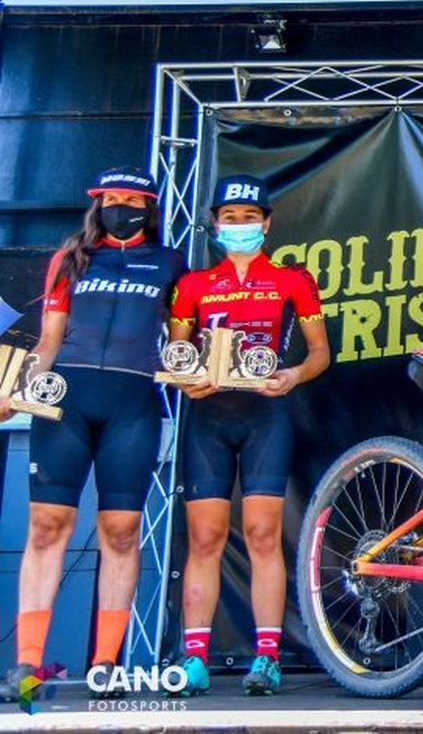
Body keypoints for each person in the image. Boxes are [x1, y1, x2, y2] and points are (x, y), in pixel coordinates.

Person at [0, 168, 184, 703]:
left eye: (131, 200)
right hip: (67, 401)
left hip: (133, 404)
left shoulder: (171, 263)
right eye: (111, 198)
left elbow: (182, 343)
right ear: (97, 203)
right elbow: (49, 341)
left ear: (148, 207)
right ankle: (26, 665)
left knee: (122, 532)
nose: (120, 207)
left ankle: (106, 663)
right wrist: (17, 389)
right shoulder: (70, 259)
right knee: (45, 526)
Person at [166, 175, 329, 697]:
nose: (240, 226)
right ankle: (194, 658)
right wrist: (186, 380)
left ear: (266, 223)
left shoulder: (291, 280)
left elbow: (320, 353)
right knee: (204, 538)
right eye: (230, 218)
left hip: (265, 414)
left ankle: (267, 657)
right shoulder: (192, 284)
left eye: (249, 217)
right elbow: (176, 355)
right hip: (208, 417)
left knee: (262, 535)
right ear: (215, 224)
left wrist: (293, 375)